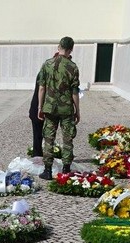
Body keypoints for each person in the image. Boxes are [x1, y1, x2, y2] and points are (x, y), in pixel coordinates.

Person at [37, 36, 80, 179]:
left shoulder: (47, 64)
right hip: (66, 109)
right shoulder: (73, 67)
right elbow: (75, 92)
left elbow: (41, 88)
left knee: (49, 138)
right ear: (71, 49)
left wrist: (40, 107)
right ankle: (66, 169)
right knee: (67, 139)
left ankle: (47, 170)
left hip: (50, 108)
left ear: (58, 47)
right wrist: (77, 110)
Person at [28, 67, 44, 157]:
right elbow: (41, 89)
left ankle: (38, 155)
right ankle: (38, 156)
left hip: (37, 106)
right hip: (39, 107)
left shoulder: (43, 71)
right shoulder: (46, 73)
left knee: (38, 136)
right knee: (39, 135)